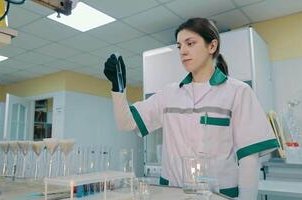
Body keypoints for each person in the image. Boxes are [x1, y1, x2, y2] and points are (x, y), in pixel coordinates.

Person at [103, 18, 279, 200]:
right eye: (179, 46)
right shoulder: (169, 94)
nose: (183, 51)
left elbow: (249, 157)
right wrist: (118, 88)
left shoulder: (238, 92)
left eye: (190, 43)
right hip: (172, 194)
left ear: (212, 46)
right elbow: (126, 123)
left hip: (218, 195)